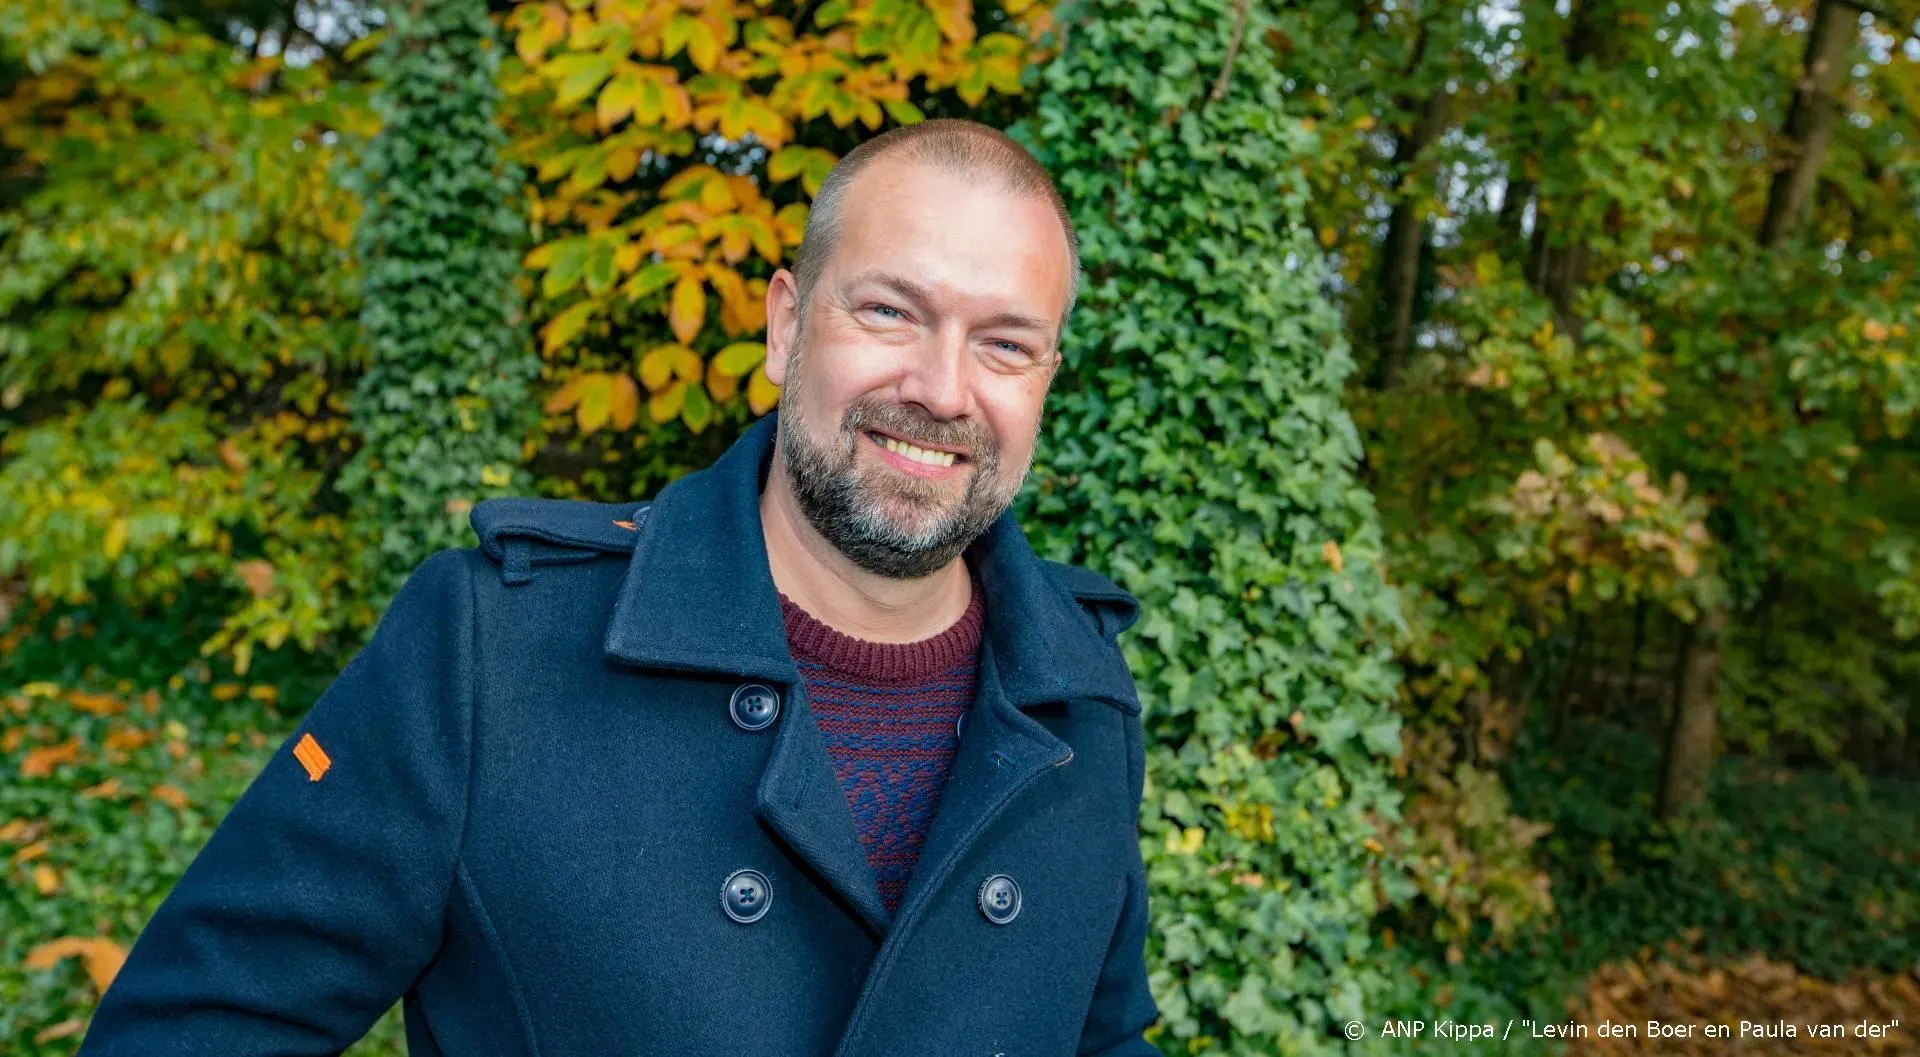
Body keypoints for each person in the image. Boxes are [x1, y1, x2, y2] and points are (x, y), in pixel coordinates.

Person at [78, 118, 1158, 1057]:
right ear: (788, 326)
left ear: (1045, 379)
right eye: (888, 312)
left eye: (1005, 344)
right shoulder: (494, 649)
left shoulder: (1081, 693)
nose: (939, 387)